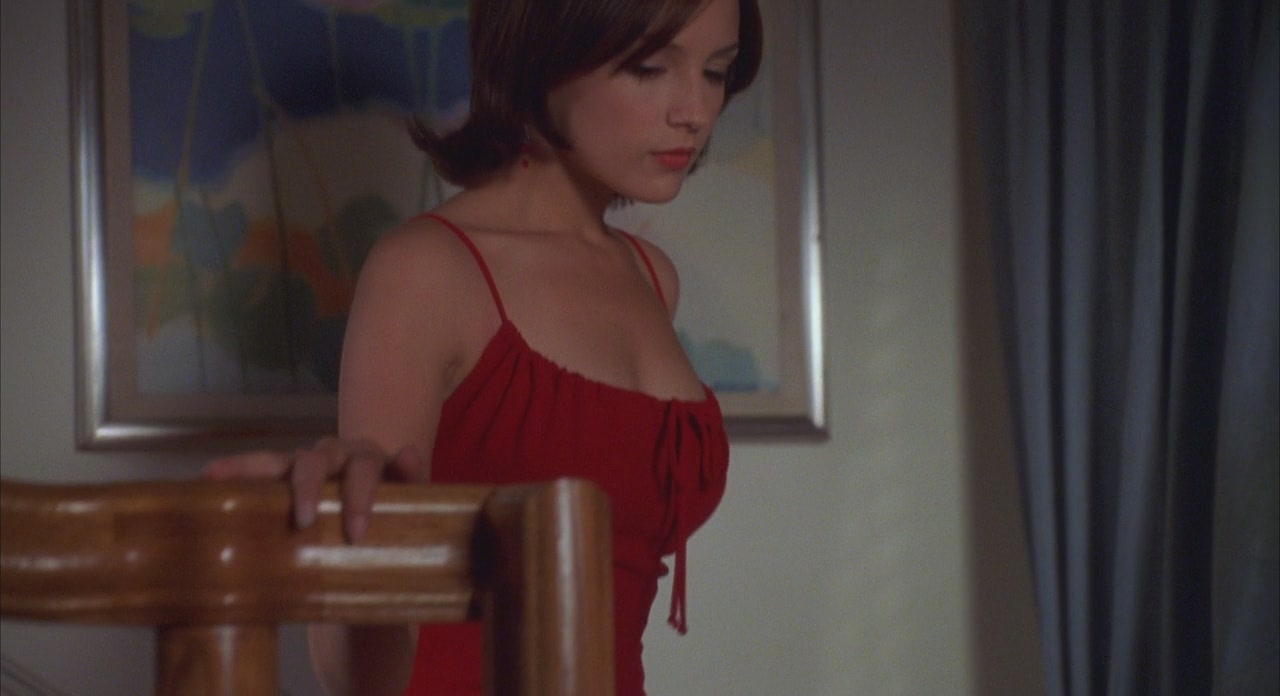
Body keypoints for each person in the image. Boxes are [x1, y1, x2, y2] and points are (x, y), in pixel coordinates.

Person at [205, 0, 763, 693]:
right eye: (650, 68)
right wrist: (351, 528)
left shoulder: (652, 278)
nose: (696, 111)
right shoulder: (428, 269)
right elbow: (355, 673)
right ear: (541, 55)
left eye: (717, 72)